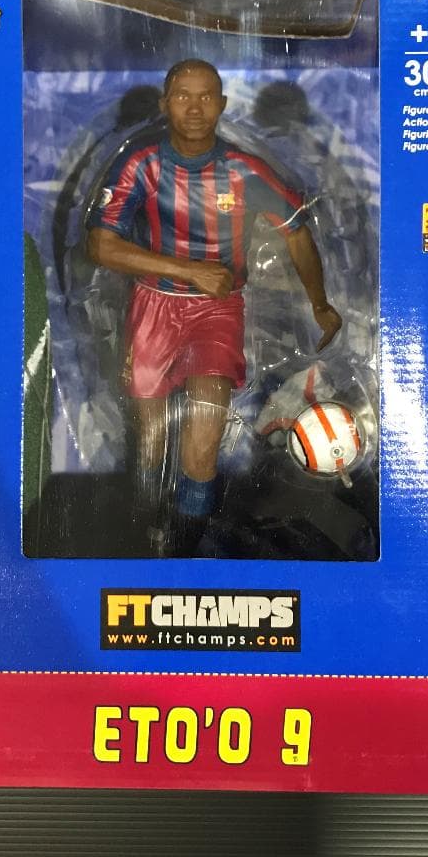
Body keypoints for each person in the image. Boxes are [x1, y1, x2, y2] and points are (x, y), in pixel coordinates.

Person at [87, 59, 341, 554]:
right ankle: (145, 535)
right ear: (164, 103)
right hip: (153, 305)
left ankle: (185, 547)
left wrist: (320, 304)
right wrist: (190, 270)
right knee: (151, 438)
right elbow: (100, 245)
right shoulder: (142, 164)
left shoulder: (244, 170)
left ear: (222, 104)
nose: (194, 107)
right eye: (183, 95)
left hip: (216, 310)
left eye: (206, 96)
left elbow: (297, 233)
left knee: (203, 436)